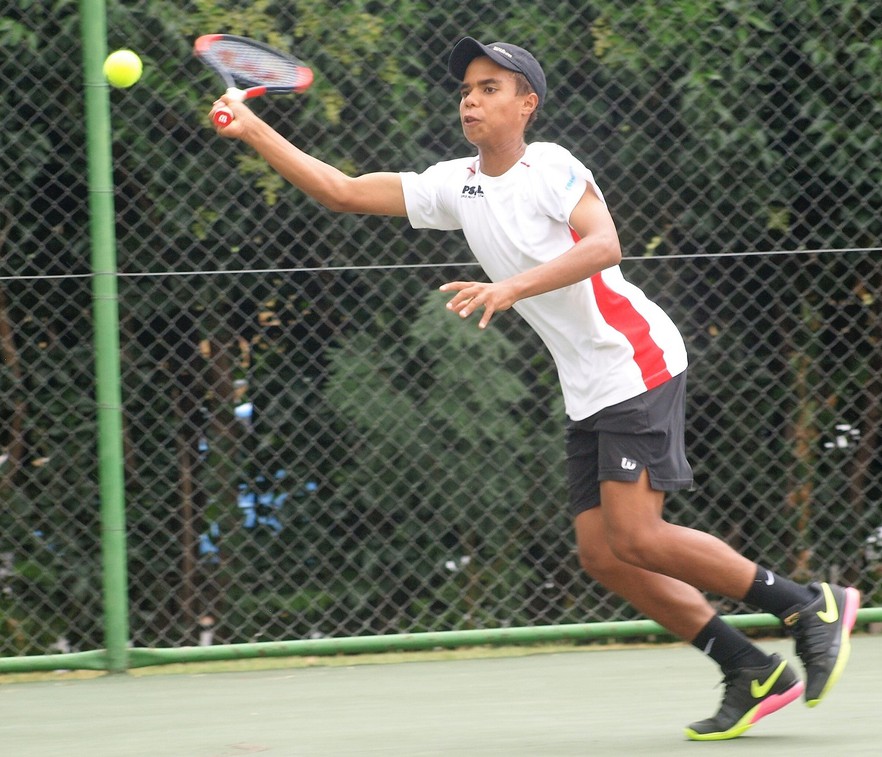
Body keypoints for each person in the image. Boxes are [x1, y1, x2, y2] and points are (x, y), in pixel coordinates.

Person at [209, 36, 861, 741]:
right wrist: (253, 127)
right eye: (466, 86)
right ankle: (748, 668)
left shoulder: (551, 166)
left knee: (638, 531)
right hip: (588, 383)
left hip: (634, 359)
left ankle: (807, 604)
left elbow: (603, 244)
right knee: (603, 553)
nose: (470, 96)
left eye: (491, 86)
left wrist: (511, 286)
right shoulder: (455, 184)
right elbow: (339, 189)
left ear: (528, 104)